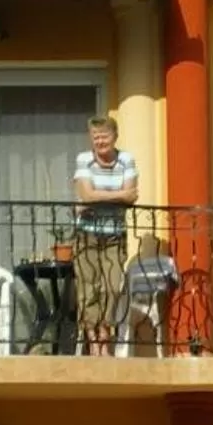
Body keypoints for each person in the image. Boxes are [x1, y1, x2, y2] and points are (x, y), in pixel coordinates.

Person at [71, 115, 139, 354]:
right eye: (95, 137)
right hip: (86, 234)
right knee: (88, 288)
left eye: (105, 136)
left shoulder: (126, 159)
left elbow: (132, 197)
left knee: (112, 286)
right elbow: (86, 195)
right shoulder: (84, 159)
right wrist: (118, 195)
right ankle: (94, 342)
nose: (100, 142)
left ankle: (105, 335)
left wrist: (96, 197)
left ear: (115, 136)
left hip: (114, 234)